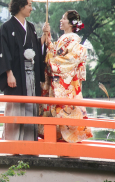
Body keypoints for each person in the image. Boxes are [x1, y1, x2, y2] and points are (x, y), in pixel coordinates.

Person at [0, 0, 49, 140]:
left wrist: (43, 37)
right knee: (16, 109)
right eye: (29, 5)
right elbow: (3, 51)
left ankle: (29, 143)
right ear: (20, 6)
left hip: (31, 76)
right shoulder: (6, 27)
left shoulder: (30, 27)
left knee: (31, 107)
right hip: (16, 75)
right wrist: (9, 73)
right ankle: (13, 144)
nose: (31, 8)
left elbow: (35, 48)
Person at [40, 9, 93, 143]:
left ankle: (67, 140)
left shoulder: (71, 41)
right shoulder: (68, 40)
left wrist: (51, 61)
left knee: (65, 109)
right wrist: (48, 39)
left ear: (70, 24)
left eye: (63, 18)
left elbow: (62, 58)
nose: (61, 20)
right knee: (66, 109)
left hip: (66, 82)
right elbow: (54, 52)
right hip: (66, 82)